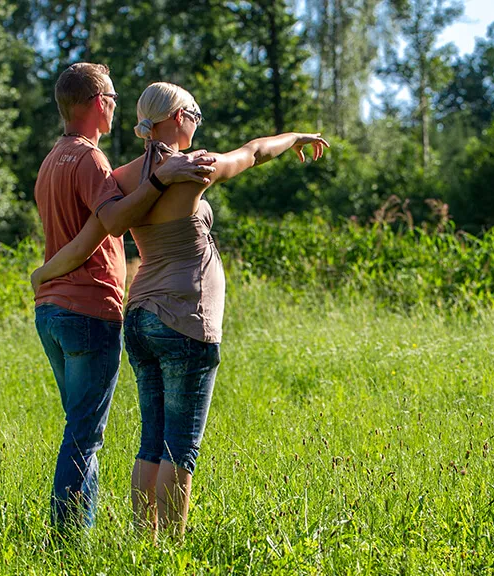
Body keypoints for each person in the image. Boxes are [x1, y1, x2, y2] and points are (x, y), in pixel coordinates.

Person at [32, 81, 329, 540]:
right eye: (193, 112)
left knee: (151, 443)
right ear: (176, 118)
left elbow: (92, 234)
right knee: (180, 448)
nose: (196, 120)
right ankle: (169, 550)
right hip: (187, 315)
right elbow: (252, 153)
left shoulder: (124, 178)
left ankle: (141, 542)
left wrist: (44, 273)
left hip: (140, 315)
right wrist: (296, 138)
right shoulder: (195, 167)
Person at [33, 64, 217, 530]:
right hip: (88, 308)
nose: (116, 106)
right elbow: (111, 223)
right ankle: (71, 540)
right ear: (98, 102)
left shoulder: (51, 160)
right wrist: (162, 177)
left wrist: (43, 274)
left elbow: (83, 234)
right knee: (85, 435)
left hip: (52, 309)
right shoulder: (92, 161)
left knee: (81, 428)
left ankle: (81, 535)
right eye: (112, 98)